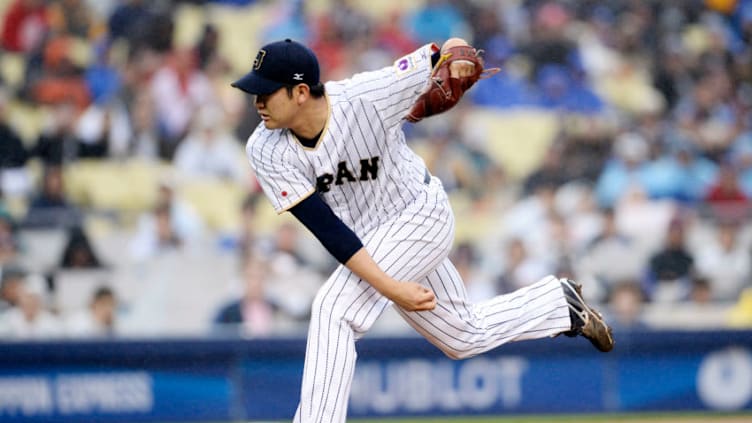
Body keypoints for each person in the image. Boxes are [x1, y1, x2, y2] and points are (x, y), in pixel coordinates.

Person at [231, 37, 614, 423]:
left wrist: (459, 57)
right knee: (463, 336)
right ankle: (557, 304)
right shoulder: (264, 148)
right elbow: (327, 229)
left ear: (300, 92)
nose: (257, 101)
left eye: (266, 92)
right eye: (254, 92)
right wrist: (390, 286)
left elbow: (444, 51)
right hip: (370, 241)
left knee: (334, 308)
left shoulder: (366, 96)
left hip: (420, 216)